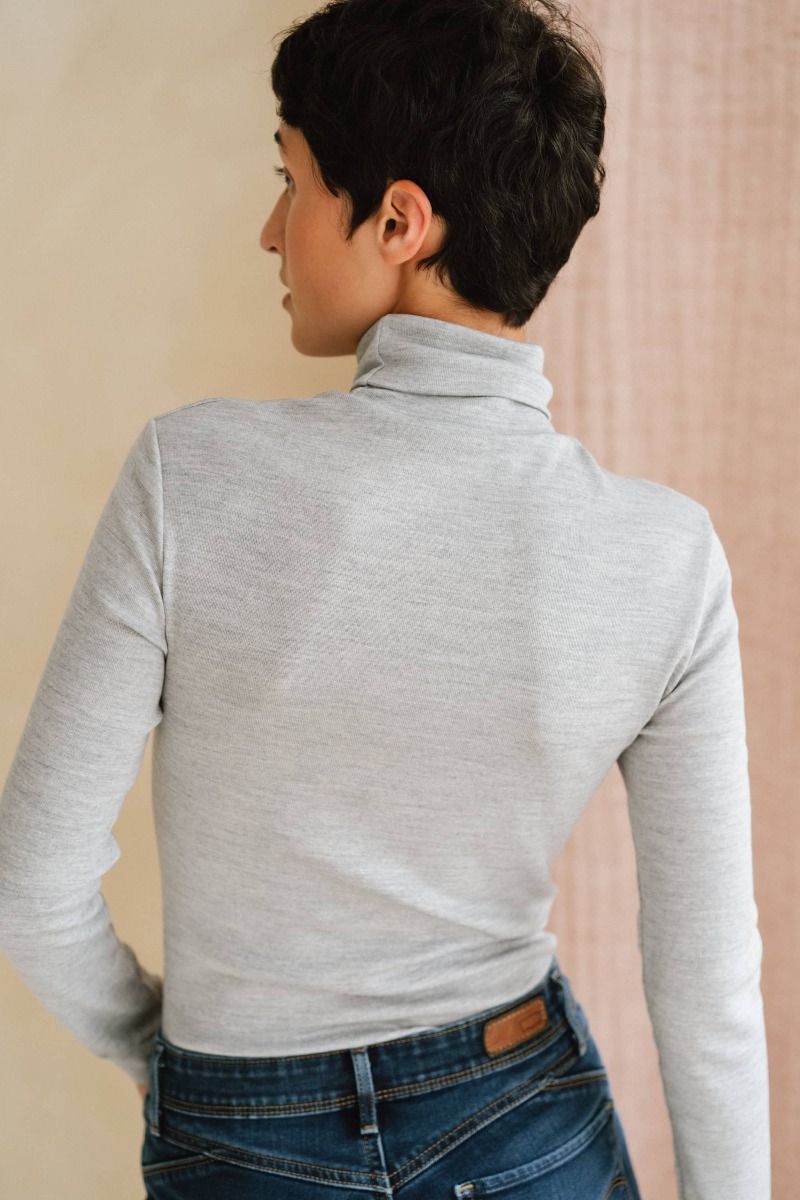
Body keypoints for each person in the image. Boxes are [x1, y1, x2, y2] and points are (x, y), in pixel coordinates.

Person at [0, 1, 769, 1197]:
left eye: (291, 182)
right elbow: (703, 984)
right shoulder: (665, 557)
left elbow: (30, 882)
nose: (270, 231)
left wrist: (164, 1056)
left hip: (239, 1127)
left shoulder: (186, 477)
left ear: (399, 221)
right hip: (525, 1116)